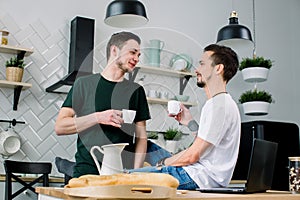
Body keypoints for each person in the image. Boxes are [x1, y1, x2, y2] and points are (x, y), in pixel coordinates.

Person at [127, 44, 241, 190]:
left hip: (198, 176)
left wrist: (162, 164)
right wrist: (189, 122)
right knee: (148, 146)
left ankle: (137, 174)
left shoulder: (219, 106)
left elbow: (192, 156)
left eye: (202, 64)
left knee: (125, 178)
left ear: (218, 68)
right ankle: (142, 172)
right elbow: (208, 144)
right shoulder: (219, 102)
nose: (196, 70)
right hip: (199, 170)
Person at [55, 31, 151, 178]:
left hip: (122, 174)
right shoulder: (84, 84)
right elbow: (60, 126)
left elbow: (141, 138)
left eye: (139, 55)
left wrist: (136, 172)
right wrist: (99, 117)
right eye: (133, 52)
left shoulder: (136, 91)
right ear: (114, 50)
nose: (136, 58)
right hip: (87, 173)